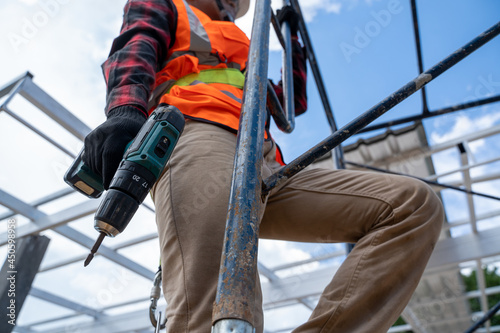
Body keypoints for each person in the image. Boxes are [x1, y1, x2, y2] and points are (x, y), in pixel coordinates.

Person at [83, 0, 444, 332]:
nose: (231, 3)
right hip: (197, 132)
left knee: (410, 206)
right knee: (216, 304)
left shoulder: (243, 42)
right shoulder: (171, 5)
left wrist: (293, 46)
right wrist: (125, 111)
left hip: (263, 158)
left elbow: (290, 103)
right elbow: (136, 46)